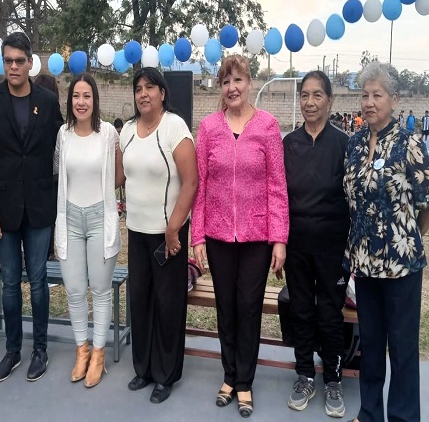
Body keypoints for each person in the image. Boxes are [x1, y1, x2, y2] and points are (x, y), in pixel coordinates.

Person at [192, 54, 287, 418]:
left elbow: (277, 186)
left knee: (248, 308)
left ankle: (245, 381)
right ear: (220, 87)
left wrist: (279, 238)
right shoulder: (208, 128)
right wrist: (198, 237)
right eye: (226, 82)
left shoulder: (268, 126)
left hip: (256, 238)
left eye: (238, 80)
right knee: (226, 308)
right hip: (217, 236)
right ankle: (229, 375)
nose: (232, 88)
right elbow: (200, 186)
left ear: (250, 83)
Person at [344, 62, 429, 422]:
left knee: (402, 349)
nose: (369, 102)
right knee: (370, 345)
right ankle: (370, 412)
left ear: (393, 100)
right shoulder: (354, 144)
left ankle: (402, 417)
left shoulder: (409, 144)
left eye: (377, 95)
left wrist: (409, 238)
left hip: (402, 266)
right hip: (365, 264)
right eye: (364, 95)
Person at [0, 32, 64, 383]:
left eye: (19, 61)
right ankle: (12, 351)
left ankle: (39, 349)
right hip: (3, 212)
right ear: (2, 63)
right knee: (10, 283)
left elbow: (63, 149)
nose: (13, 66)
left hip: (39, 209)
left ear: (30, 62)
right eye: (8, 61)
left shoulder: (48, 102)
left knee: (38, 282)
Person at [120, 67, 198, 404]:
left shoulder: (174, 127)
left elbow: (191, 182)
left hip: (169, 234)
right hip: (136, 231)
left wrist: (174, 228)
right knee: (140, 300)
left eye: (150, 87)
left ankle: (166, 374)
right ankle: (144, 368)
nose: (143, 93)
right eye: (138, 88)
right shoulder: (126, 131)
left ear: (162, 93)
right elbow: (119, 177)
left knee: (168, 305)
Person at [282, 71, 349, 418]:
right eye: (305, 95)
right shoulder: (289, 144)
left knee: (330, 314)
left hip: (332, 247)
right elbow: (279, 196)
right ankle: (305, 374)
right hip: (296, 246)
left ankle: (333, 379)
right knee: (301, 310)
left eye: (317, 95)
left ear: (329, 101)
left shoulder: (344, 144)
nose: (309, 102)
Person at [53, 73, 124, 388]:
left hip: (99, 218)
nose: (81, 102)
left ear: (95, 100)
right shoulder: (63, 134)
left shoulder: (107, 133)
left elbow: (119, 175)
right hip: (69, 218)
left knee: (100, 288)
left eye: (87, 96)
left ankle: (98, 353)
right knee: (74, 289)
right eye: (76, 96)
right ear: (70, 101)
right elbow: (59, 172)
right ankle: (81, 349)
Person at [34, 74, 61, 262]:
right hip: (52, 174)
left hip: (35, 174)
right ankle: (48, 253)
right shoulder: (53, 110)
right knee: (49, 218)